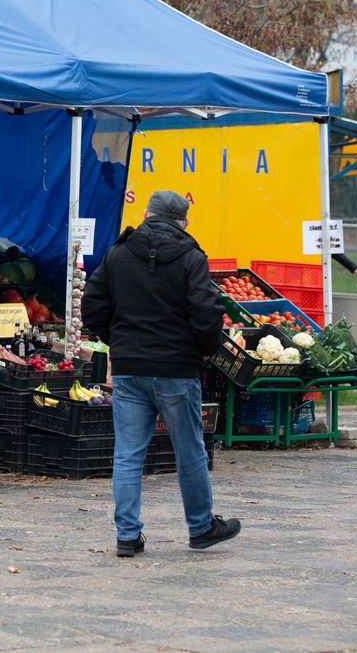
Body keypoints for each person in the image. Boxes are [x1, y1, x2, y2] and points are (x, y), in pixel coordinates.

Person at [82, 190, 241, 555]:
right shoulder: (191, 257)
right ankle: (201, 527)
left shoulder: (117, 253)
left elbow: (92, 305)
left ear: (146, 213)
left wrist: (116, 340)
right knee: (190, 451)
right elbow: (206, 314)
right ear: (184, 222)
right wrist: (204, 350)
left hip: (129, 369)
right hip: (177, 369)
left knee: (127, 454)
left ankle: (127, 535)